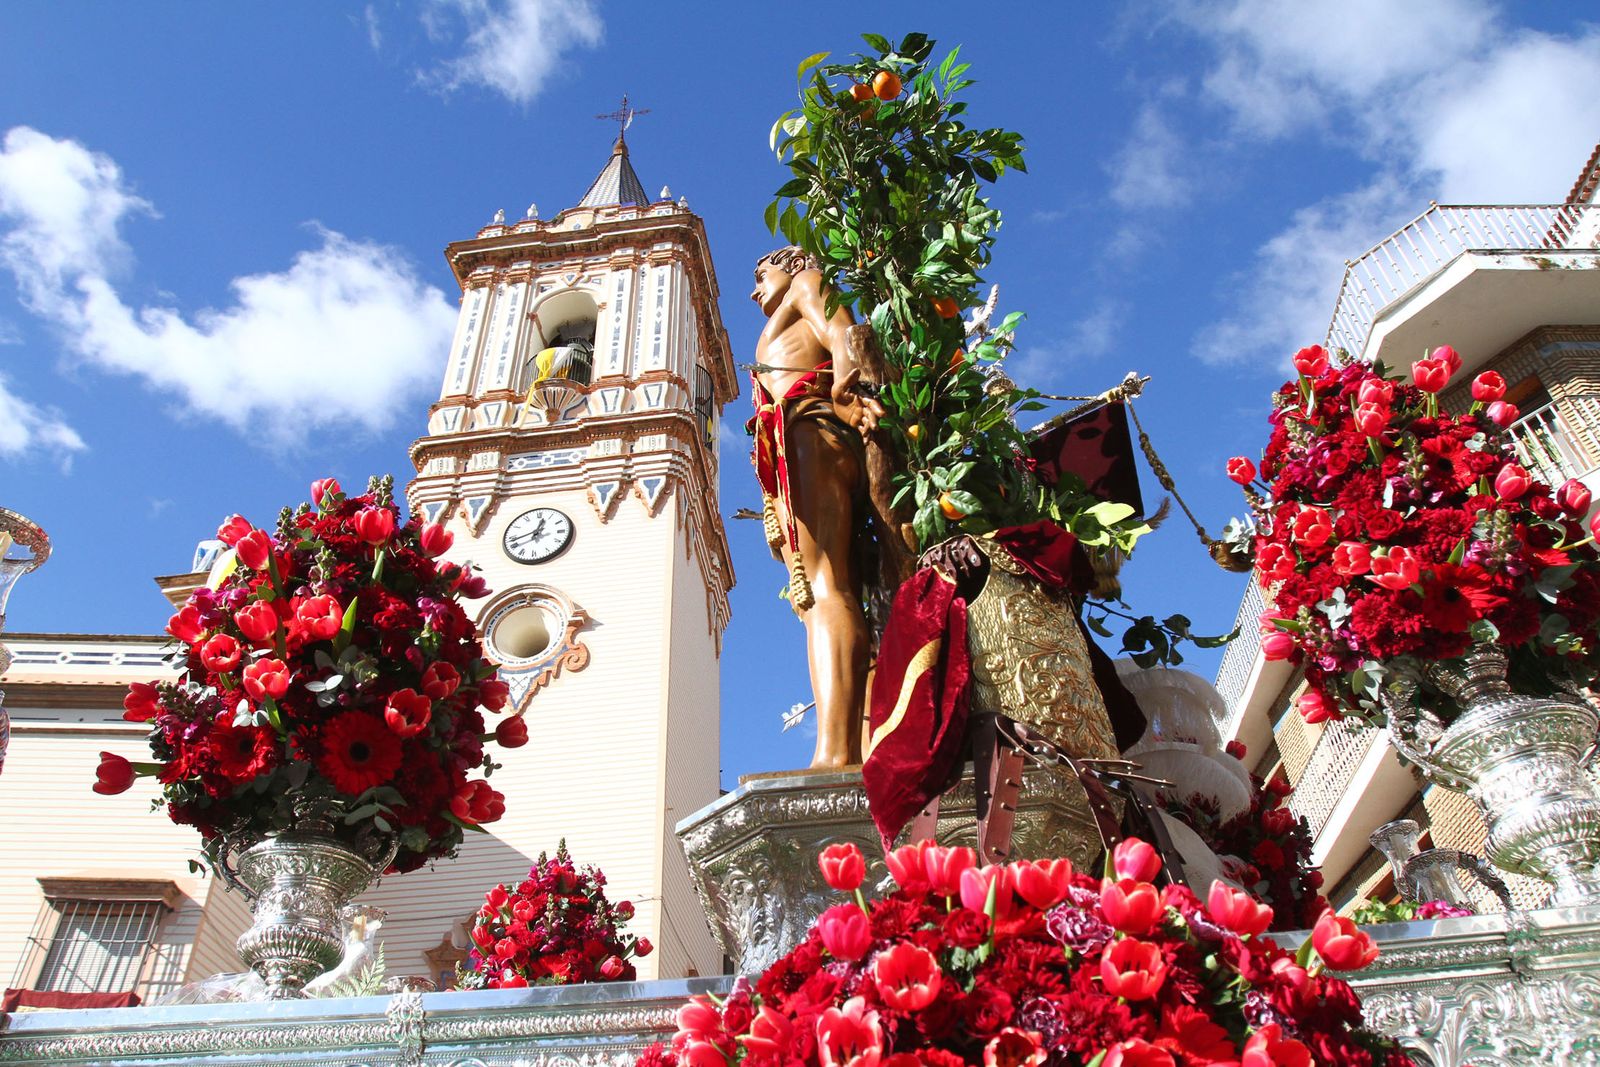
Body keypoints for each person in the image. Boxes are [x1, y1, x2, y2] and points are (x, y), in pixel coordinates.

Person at [748, 247, 883, 768]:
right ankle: (857, 742)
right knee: (817, 598)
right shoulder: (787, 307)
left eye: (762, 275)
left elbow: (842, 334)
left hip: (810, 428)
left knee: (827, 589)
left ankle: (835, 754)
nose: (755, 290)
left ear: (792, 265)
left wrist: (846, 386)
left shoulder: (807, 282)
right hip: (797, 441)